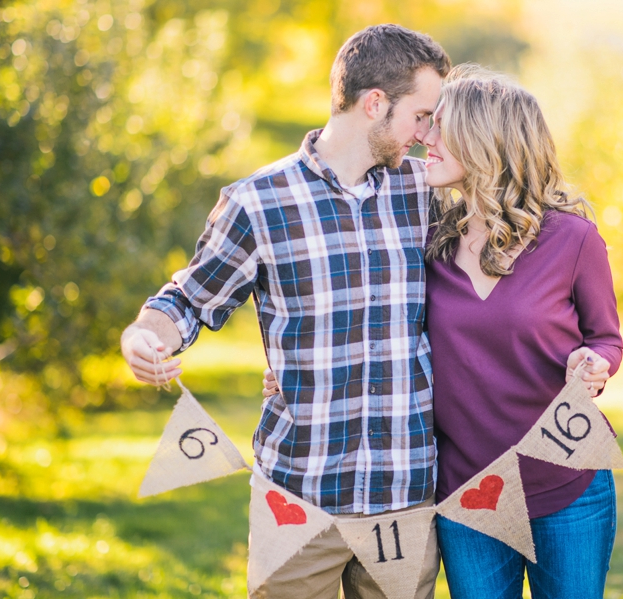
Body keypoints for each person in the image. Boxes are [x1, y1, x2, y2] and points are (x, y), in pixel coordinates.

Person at [120, 25, 451, 599]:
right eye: (421, 116)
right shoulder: (259, 201)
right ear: (375, 103)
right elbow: (187, 300)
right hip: (300, 497)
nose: (427, 136)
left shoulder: (427, 191)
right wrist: (144, 338)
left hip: (404, 495)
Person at [421, 69, 623, 598]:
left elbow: (606, 337)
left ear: (485, 140)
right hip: (469, 492)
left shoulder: (573, 240)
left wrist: (595, 362)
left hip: (568, 482)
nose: (425, 137)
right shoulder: (427, 243)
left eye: (441, 127)